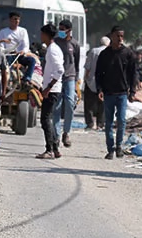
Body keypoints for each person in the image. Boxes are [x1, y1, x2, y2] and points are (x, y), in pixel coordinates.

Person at [96, 26, 137, 159]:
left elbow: (133, 74)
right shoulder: (104, 54)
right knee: (108, 122)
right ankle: (110, 148)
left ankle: (119, 146)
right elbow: (98, 73)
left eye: (122, 36)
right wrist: (99, 89)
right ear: (111, 36)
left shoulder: (128, 54)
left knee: (121, 120)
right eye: (117, 36)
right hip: (108, 93)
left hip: (122, 93)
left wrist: (132, 91)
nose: (120, 39)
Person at [37, 24, 65, 160]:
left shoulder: (53, 50)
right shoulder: (51, 49)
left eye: (42, 34)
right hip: (51, 88)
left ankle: (50, 150)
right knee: (47, 118)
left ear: (47, 35)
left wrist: (48, 87)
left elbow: (60, 70)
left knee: (45, 119)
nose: (41, 36)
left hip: (52, 89)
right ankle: (55, 148)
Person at [53, 19, 81, 147]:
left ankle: (66, 132)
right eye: (60, 28)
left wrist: (76, 81)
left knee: (70, 103)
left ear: (69, 30)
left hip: (70, 76)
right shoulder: (56, 42)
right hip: (57, 77)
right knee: (57, 106)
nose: (61, 31)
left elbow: (76, 63)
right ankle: (56, 135)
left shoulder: (74, 44)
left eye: (63, 29)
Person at [0, 12, 37, 84]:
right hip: (8, 55)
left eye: (18, 19)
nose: (17, 21)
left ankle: (27, 78)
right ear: (10, 20)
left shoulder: (23, 31)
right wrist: (6, 51)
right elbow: (1, 46)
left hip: (20, 55)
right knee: (7, 65)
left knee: (32, 60)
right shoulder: (3, 32)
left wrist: (23, 51)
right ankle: (9, 80)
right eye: (15, 19)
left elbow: (26, 45)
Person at [83, 36, 110, 130]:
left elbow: (88, 66)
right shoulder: (110, 52)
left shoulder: (93, 51)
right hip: (105, 81)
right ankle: (100, 124)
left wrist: (86, 78)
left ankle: (90, 123)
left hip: (92, 80)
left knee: (89, 104)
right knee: (102, 104)